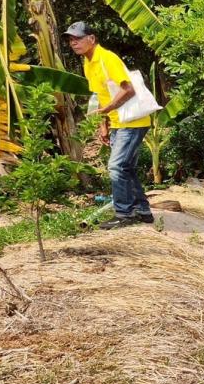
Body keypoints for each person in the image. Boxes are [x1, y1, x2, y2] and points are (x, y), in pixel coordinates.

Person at [64, 21, 153, 230]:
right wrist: (103, 125)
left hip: (132, 121)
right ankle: (142, 210)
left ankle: (124, 214)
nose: (73, 43)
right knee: (126, 167)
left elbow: (128, 89)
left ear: (92, 39)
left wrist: (109, 108)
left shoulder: (107, 58)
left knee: (116, 166)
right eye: (71, 40)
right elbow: (100, 96)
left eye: (78, 38)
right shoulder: (88, 63)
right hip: (117, 122)